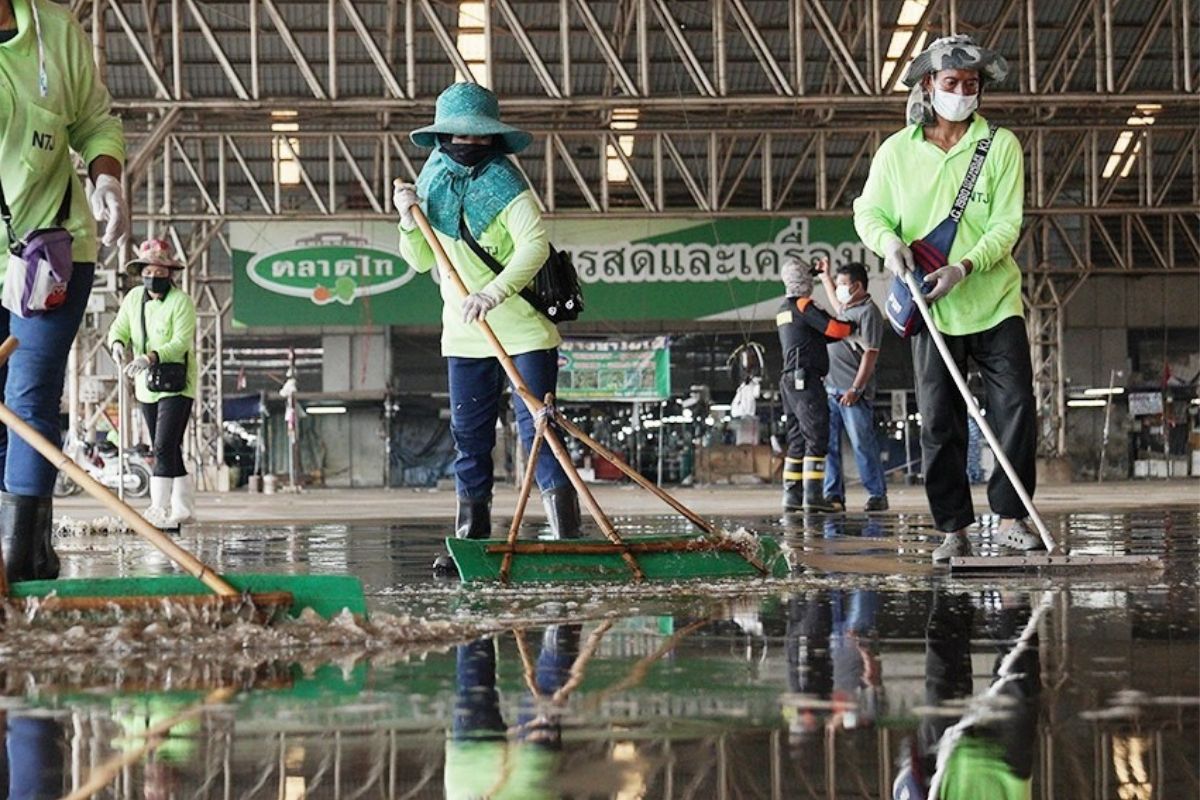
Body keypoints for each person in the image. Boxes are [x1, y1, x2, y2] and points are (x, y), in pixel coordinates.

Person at [852, 34, 1042, 562]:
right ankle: (953, 527)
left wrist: (964, 267)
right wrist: (889, 245)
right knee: (939, 420)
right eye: (951, 83)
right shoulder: (897, 152)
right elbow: (868, 213)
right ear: (928, 85)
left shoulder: (999, 145)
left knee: (1015, 407)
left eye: (971, 85)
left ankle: (1010, 517)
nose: (961, 92)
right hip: (930, 309)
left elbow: (1007, 223)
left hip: (993, 299)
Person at [394, 82, 581, 545]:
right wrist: (406, 217)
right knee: (470, 440)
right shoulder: (432, 183)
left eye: (479, 137)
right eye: (460, 136)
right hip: (464, 337)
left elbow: (535, 245)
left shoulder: (508, 186)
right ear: (442, 138)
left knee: (541, 435)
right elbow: (419, 259)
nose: (469, 145)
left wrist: (494, 293)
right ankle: (472, 535)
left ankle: (567, 535)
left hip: (523, 334)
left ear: (493, 139)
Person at [0, 0, 127, 583]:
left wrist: (106, 180)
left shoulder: (52, 30)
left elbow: (95, 120)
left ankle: (22, 549)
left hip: (50, 250)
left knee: (29, 394)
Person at [107, 240, 197, 529]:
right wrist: (118, 344)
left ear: (169, 274)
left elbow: (181, 342)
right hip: (146, 385)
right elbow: (119, 327)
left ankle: (158, 509)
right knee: (169, 448)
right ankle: (183, 508)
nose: (154, 277)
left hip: (177, 384)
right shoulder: (134, 298)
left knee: (162, 446)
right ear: (141, 272)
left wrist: (151, 357)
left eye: (160, 272)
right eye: (149, 271)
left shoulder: (181, 302)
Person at [776, 257, 856, 512]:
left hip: (789, 380)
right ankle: (813, 498)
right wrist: (852, 325)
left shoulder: (783, 309)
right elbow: (835, 329)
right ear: (804, 281)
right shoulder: (804, 305)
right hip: (806, 379)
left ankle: (791, 497)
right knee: (817, 434)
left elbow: (813, 337)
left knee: (797, 437)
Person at [817, 260, 889, 512]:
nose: (839, 289)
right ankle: (833, 495)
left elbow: (871, 353)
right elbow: (837, 304)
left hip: (852, 393)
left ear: (858, 286)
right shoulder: (847, 308)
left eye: (843, 285)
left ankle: (877, 494)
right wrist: (825, 278)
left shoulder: (869, 312)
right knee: (830, 445)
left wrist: (856, 389)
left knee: (862, 443)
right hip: (832, 388)